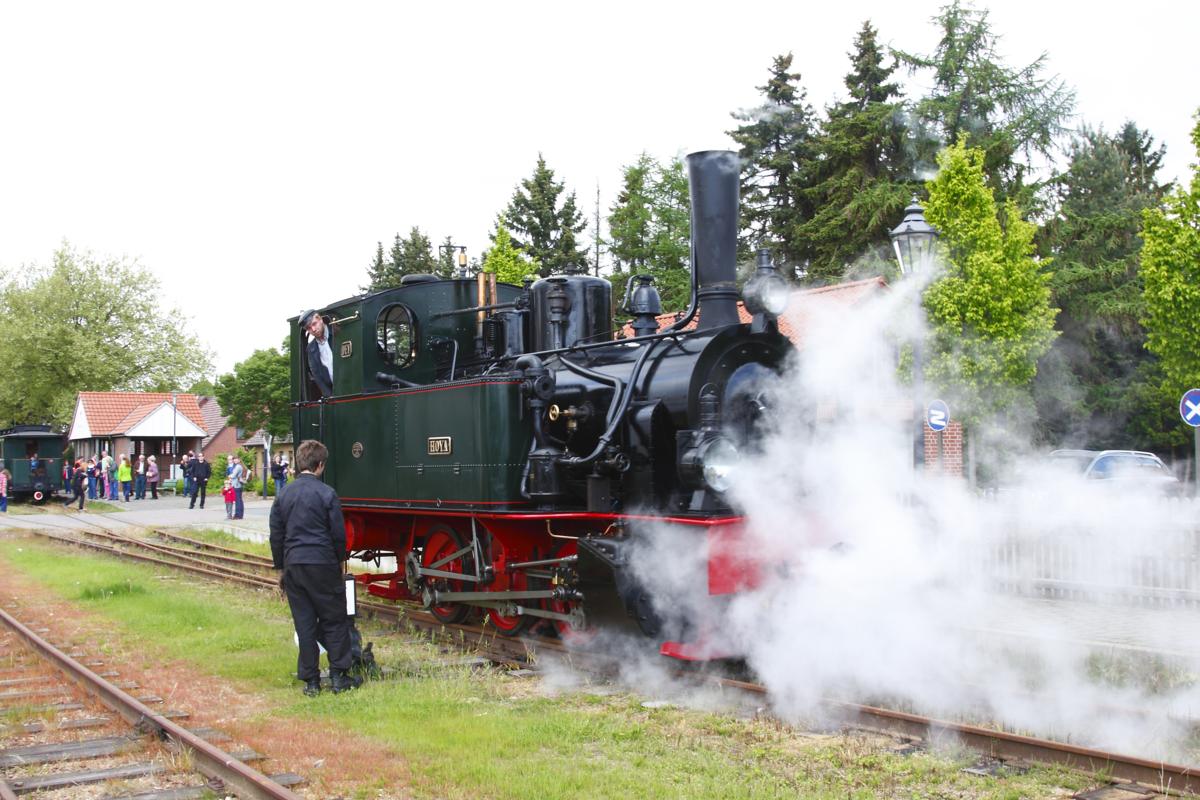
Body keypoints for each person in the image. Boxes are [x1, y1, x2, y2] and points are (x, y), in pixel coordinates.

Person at [269, 439, 360, 696]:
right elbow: (338, 534)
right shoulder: (327, 493)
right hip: (322, 562)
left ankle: (311, 682)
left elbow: (276, 535)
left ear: (299, 463)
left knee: (305, 623)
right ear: (320, 465)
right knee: (334, 619)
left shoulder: (283, 495)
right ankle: (339, 676)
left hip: (294, 564)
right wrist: (339, 561)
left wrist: (281, 568)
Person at [299, 309, 334, 398]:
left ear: (320, 319)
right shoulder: (311, 349)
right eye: (309, 328)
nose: (313, 329)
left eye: (314, 324)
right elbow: (317, 376)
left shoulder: (337, 333)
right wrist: (330, 397)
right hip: (334, 393)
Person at [229, 455, 247, 519]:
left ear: (239, 460)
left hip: (236, 485)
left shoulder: (238, 466)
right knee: (239, 500)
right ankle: (240, 515)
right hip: (239, 484)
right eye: (234, 459)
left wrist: (229, 476)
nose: (235, 460)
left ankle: (238, 515)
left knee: (238, 500)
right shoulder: (241, 466)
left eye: (236, 459)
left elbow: (233, 475)